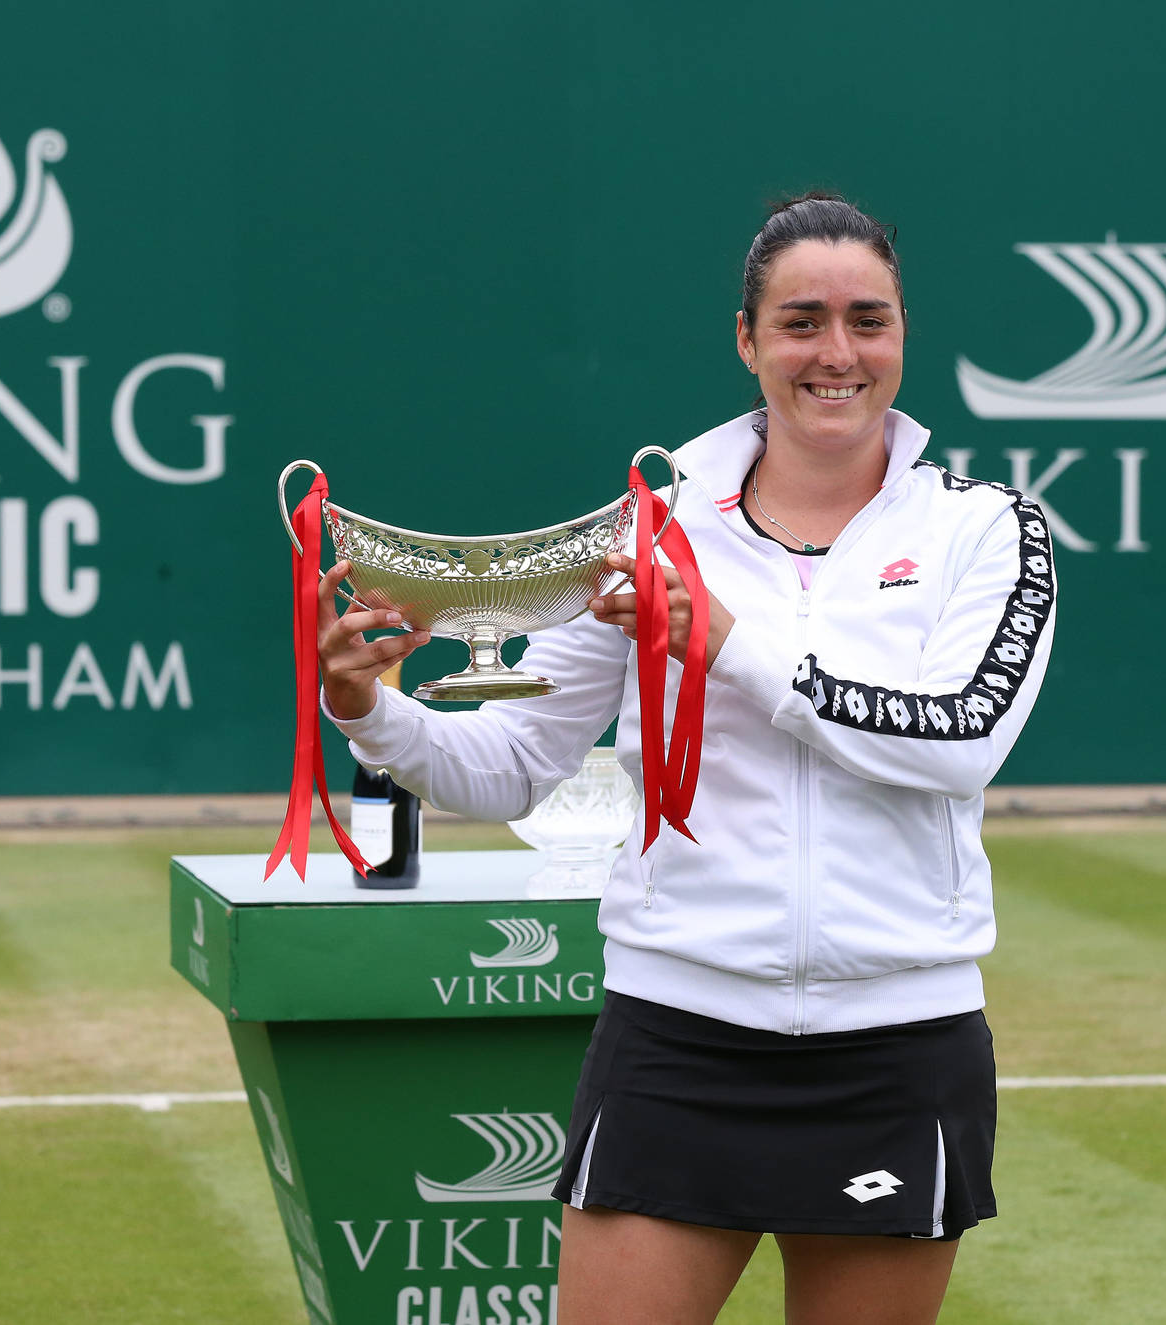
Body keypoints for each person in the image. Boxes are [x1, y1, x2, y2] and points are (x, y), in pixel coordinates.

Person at [315, 192, 1058, 1325]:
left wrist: (725, 644)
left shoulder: (990, 527)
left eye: (870, 319)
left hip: (899, 1042)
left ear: (904, 333)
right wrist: (369, 706)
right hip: (679, 1035)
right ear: (749, 340)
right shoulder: (648, 530)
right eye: (802, 320)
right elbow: (513, 761)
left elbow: (957, 740)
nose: (838, 352)